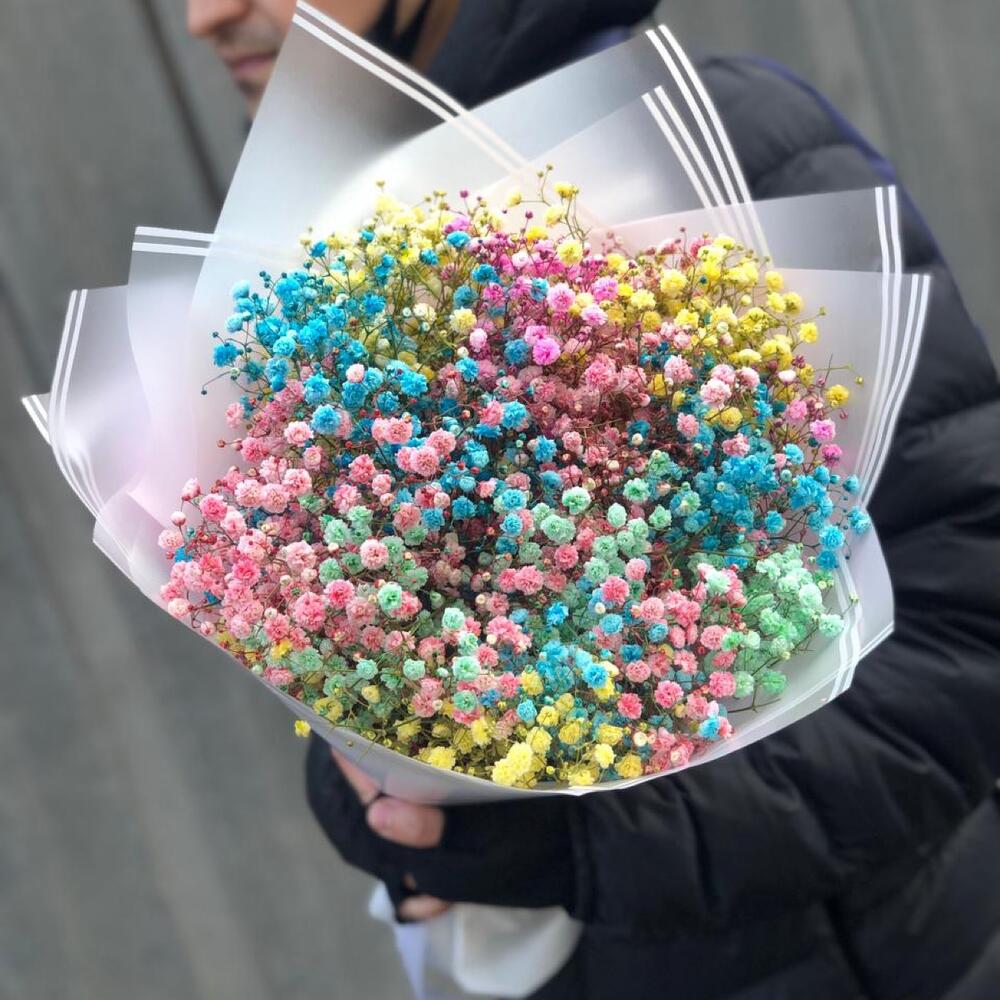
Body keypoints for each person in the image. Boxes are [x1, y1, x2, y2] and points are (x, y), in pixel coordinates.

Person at [188, 2, 1000, 997]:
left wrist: (583, 842)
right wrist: (374, 789)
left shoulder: (716, 150)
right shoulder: (322, 244)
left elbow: (964, 641)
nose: (204, 17)